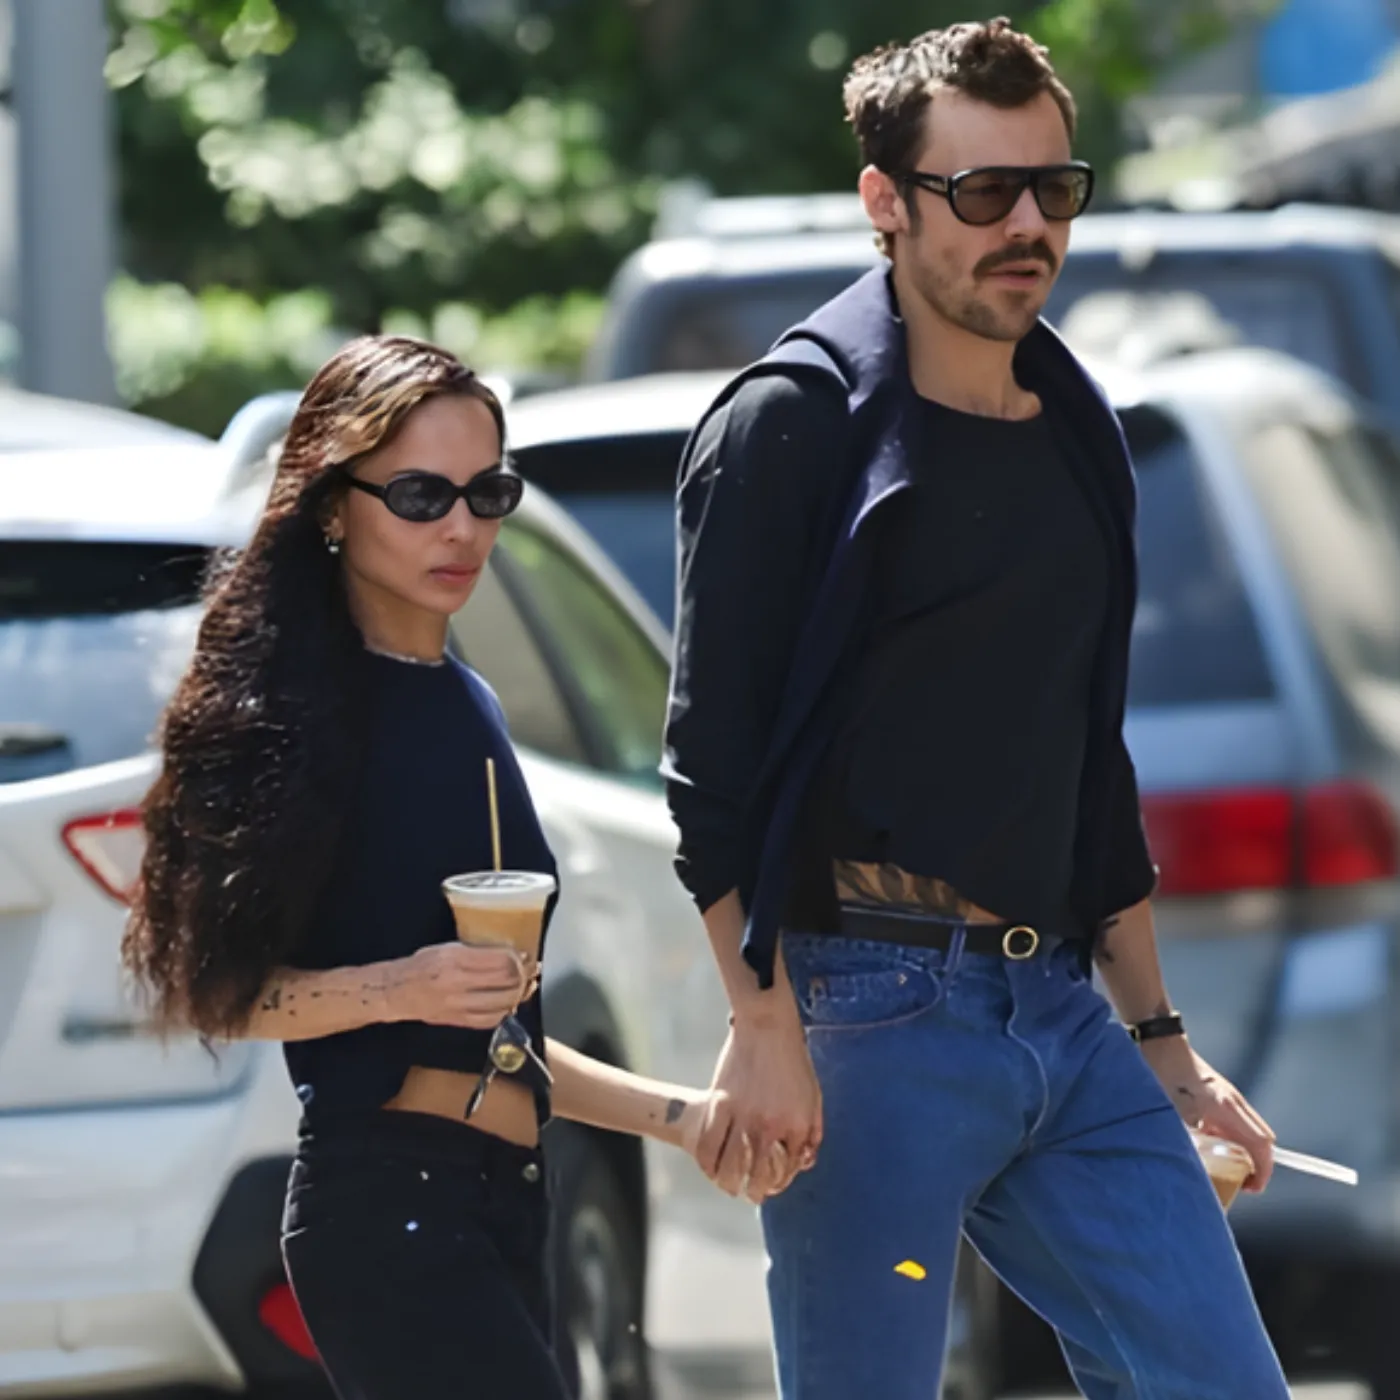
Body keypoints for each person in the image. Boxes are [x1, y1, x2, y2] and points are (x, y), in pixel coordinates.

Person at [662, 19, 1291, 1400]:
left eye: (1053, 189)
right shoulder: (792, 421)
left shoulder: (1076, 424)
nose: (1026, 226)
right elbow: (709, 766)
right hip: (865, 1011)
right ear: (885, 202)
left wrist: (1164, 1045)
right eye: (984, 191)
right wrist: (763, 1026)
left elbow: (1087, 762)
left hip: (1058, 1009)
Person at [122, 335, 722, 1400]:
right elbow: (218, 995)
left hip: (504, 1194)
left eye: (488, 493)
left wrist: (684, 1119)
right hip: (387, 1206)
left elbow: (496, 1033)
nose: (462, 527)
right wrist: (398, 986)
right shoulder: (289, 714)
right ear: (332, 506)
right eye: (418, 495)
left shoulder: (465, 697)